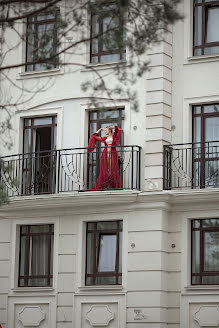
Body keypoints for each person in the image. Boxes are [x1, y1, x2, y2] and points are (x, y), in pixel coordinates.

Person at [88, 125, 122, 190]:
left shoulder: (114, 137)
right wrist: (98, 131)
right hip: (105, 154)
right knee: (105, 169)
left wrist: (113, 127)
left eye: (106, 130)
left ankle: (115, 185)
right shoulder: (105, 138)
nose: (105, 131)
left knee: (113, 169)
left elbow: (119, 130)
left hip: (113, 154)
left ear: (109, 130)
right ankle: (105, 184)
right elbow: (94, 137)